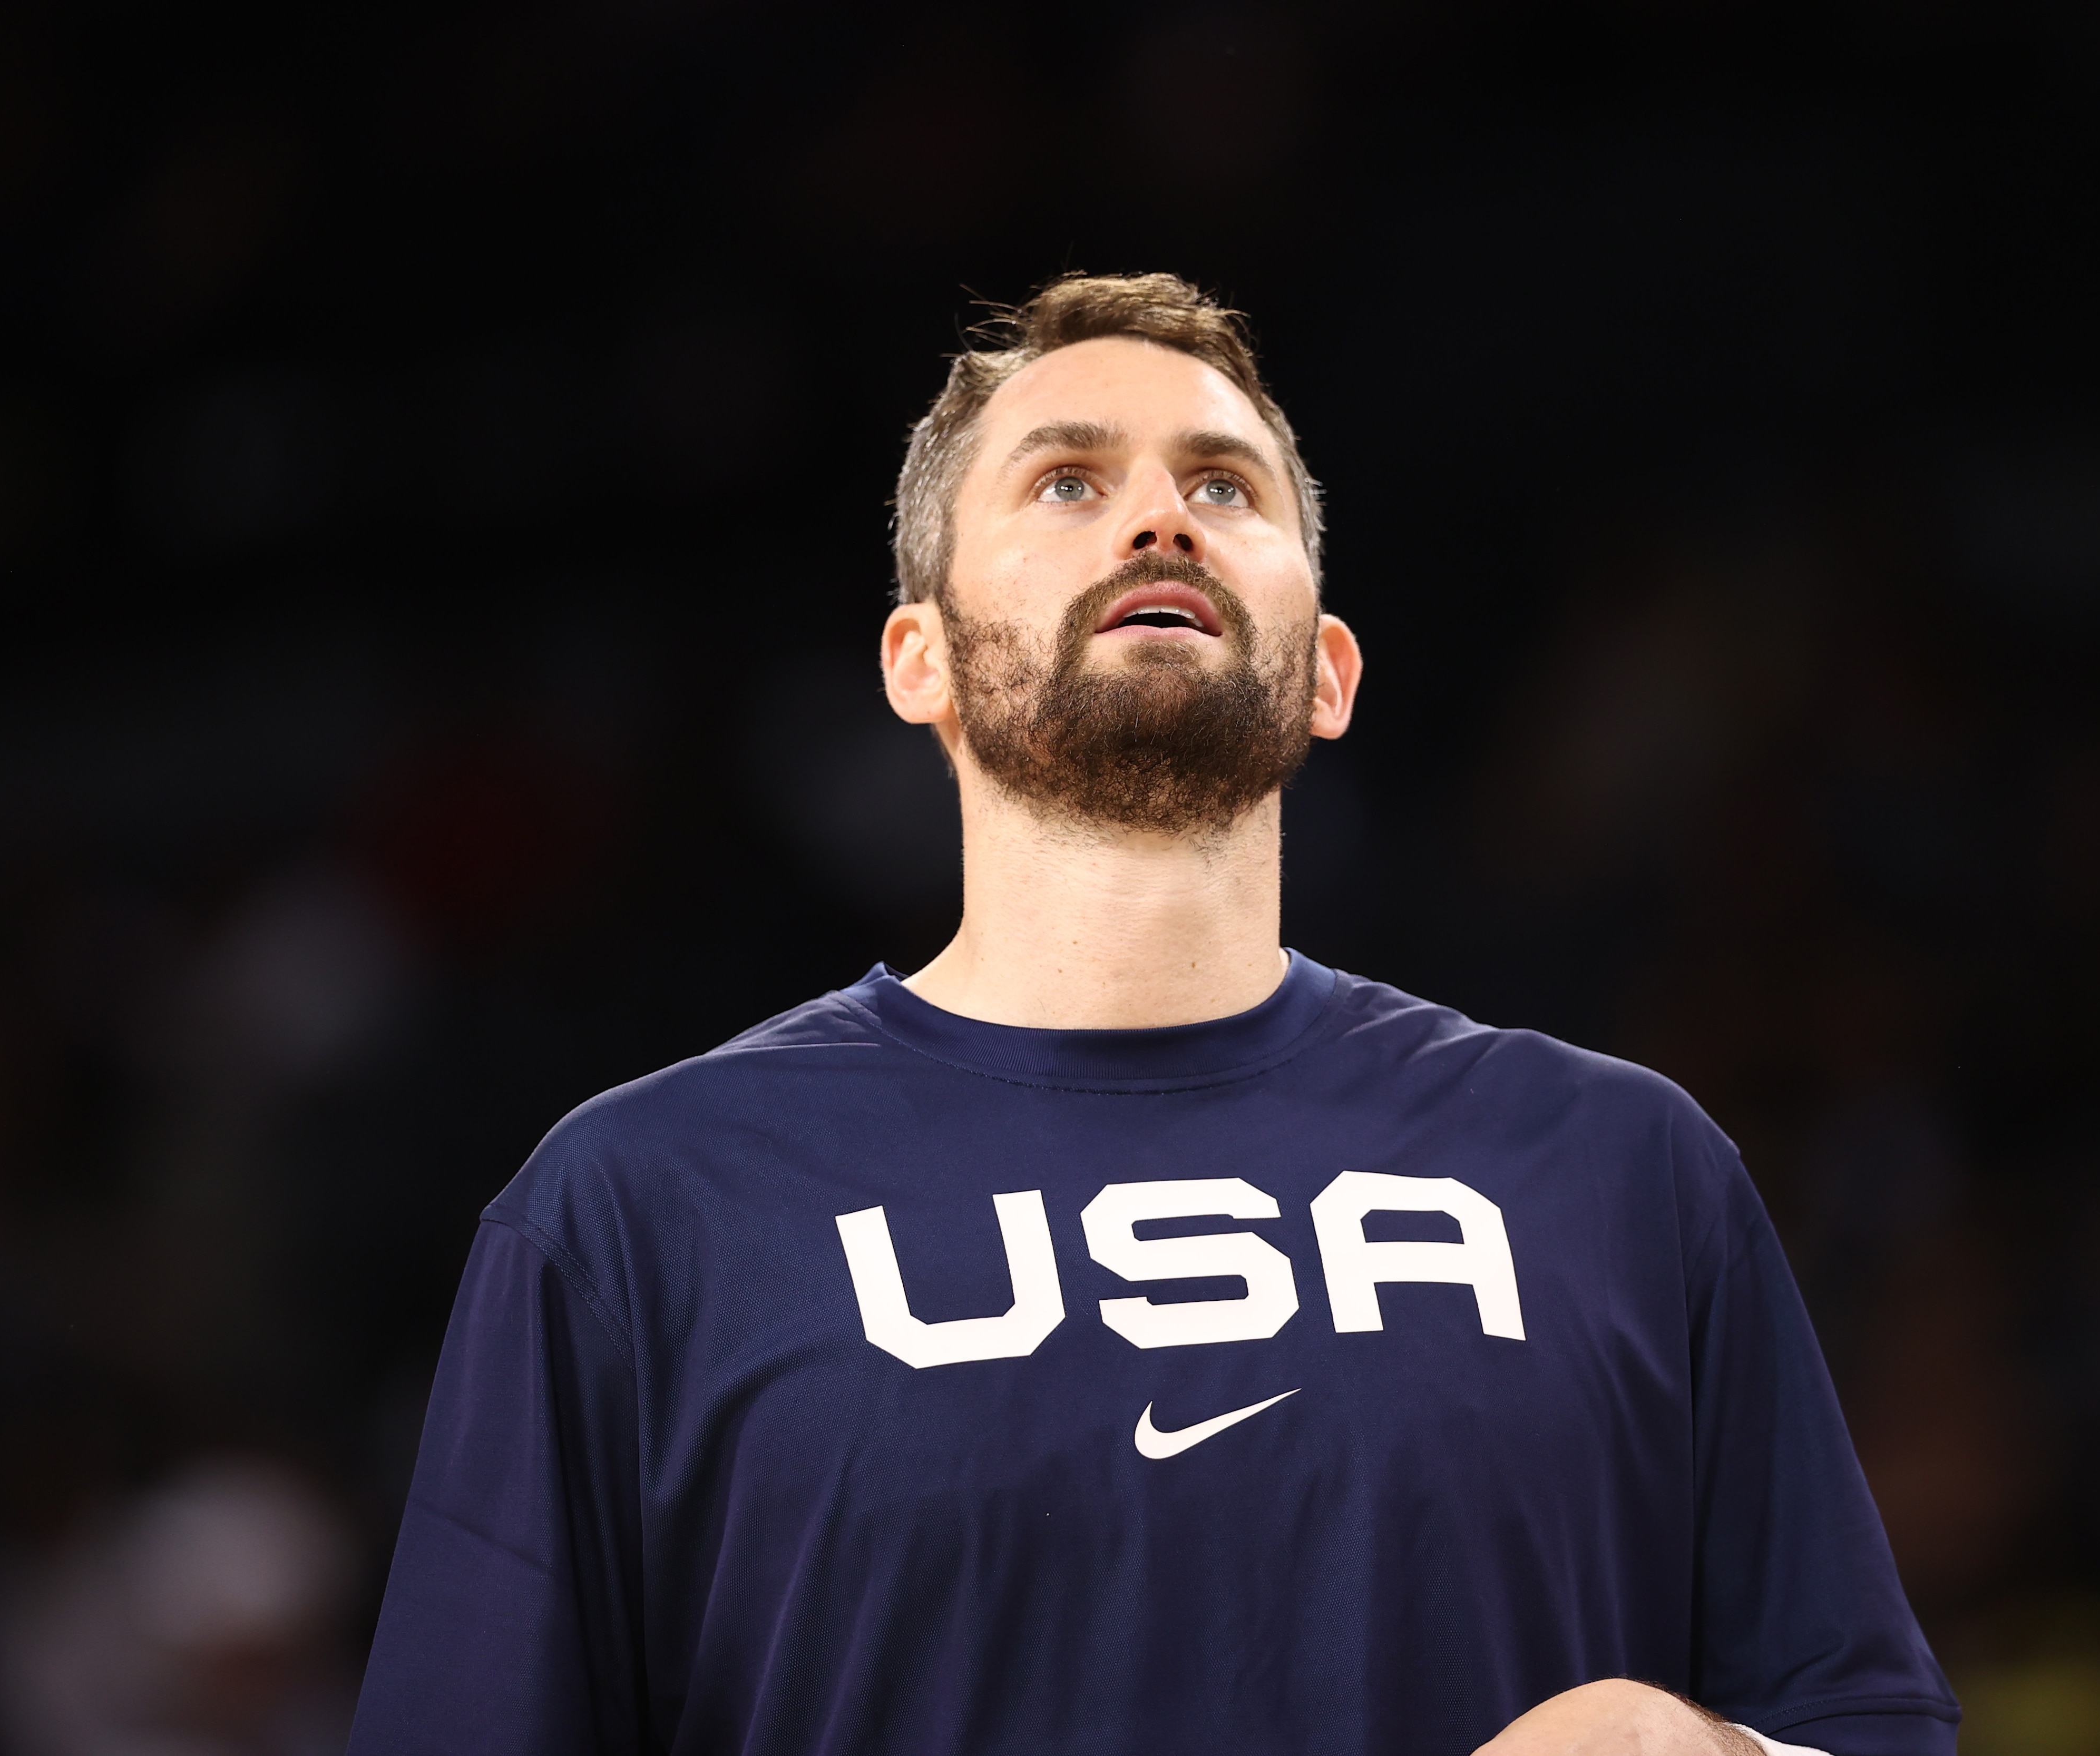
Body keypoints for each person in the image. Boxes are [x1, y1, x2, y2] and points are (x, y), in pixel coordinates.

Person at [347, 274, 1959, 1756]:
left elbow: (1870, 1720)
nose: (1160, 522)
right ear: (922, 663)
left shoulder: (1620, 1167)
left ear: (1327, 673)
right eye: (1067, 481)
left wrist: (1706, 1754)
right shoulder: (645, 1212)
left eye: (1224, 485)